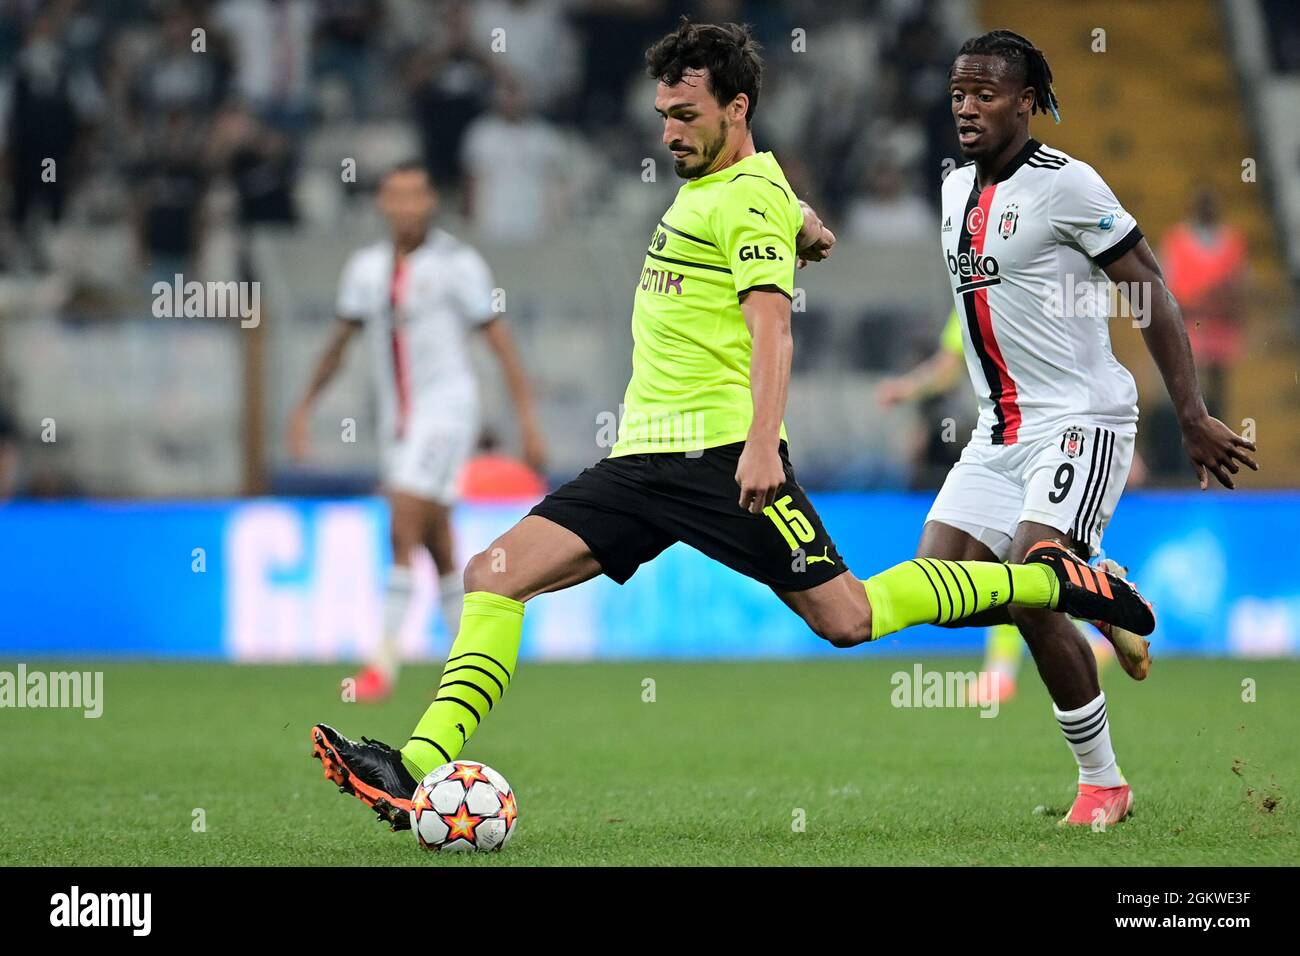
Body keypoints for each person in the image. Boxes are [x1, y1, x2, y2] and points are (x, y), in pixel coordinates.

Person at [309, 21, 1155, 831]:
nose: (670, 134)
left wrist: (760, 442)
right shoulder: (745, 188)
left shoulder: (744, 198)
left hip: (720, 458)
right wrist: (808, 224)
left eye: (688, 116)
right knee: (494, 575)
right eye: (663, 117)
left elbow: (772, 325)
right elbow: (780, 209)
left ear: (737, 108)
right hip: (640, 461)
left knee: (848, 619)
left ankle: (1064, 584)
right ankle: (414, 767)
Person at [926, 30, 1257, 825]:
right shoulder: (950, 190)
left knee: (1030, 587)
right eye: (959, 94)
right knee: (947, 589)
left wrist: (1191, 413)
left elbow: (1151, 288)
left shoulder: (1068, 184)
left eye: (987, 94)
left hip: (1082, 419)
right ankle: (1097, 586)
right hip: (997, 434)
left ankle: (1103, 784)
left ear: (1027, 101)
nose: (968, 109)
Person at [289, 160, 546, 701]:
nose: (406, 206)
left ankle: (381, 665)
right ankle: (473, 660)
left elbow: (500, 344)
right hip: (398, 423)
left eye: (416, 195)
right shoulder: (365, 269)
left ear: (430, 201)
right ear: (383, 204)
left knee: (402, 523)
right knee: (436, 539)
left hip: (448, 411)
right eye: (395, 196)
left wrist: (527, 420)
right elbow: (341, 341)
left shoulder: (459, 263)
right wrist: (304, 406)